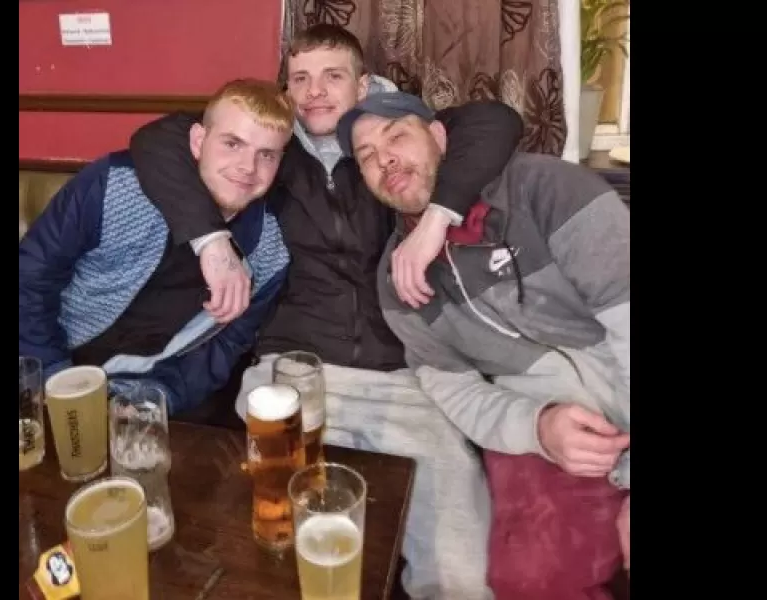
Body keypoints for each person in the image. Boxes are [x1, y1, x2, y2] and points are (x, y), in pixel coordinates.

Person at [129, 24, 522, 600]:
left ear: (362, 85)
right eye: (301, 79)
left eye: (332, 76)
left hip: (404, 378)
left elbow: (497, 121)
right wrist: (212, 245)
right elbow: (159, 138)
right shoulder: (275, 155)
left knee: (458, 566)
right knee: (268, 549)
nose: (314, 92)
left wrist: (434, 219)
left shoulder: (392, 144)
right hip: (291, 373)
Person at [340, 91, 631, 600]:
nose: (383, 158)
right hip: (552, 432)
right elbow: (453, 390)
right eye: (365, 156)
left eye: (396, 137)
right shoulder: (396, 279)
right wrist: (537, 427)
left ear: (438, 137)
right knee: (528, 578)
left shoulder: (544, 188)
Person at [18, 78, 295, 417]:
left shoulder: (268, 255)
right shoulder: (115, 187)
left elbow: (222, 350)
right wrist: (54, 376)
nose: (248, 167)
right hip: (43, 364)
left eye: (266, 154)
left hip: (147, 394)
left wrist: (160, 398)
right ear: (197, 141)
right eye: (232, 144)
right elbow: (31, 279)